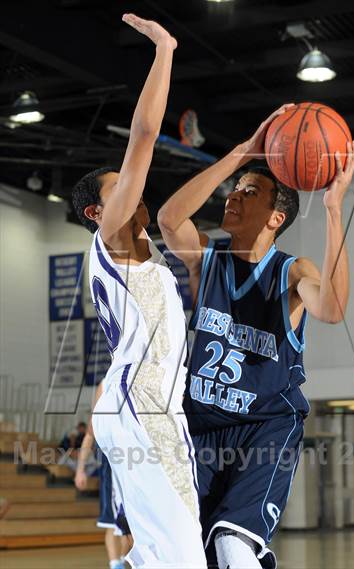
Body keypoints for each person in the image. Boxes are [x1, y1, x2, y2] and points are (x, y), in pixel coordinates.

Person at [158, 104, 354, 568]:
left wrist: (332, 209)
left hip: (266, 428)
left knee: (233, 542)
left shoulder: (291, 271)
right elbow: (169, 219)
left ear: (275, 217)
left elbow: (330, 308)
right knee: (188, 551)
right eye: (234, 189)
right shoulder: (207, 259)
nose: (234, 197)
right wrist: (241, 153)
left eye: (250, 192)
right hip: (202, 427)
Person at [71, 13, 206, 569]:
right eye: (120, 189)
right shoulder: (111, 239)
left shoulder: (143, 258)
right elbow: (146, 136)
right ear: (98, 212)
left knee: (157, 554)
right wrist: (165, 51)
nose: (135, 193)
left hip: (148, 408)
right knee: (183, 560)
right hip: (141, 409)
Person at [75, 382, 131, 569]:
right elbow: (89, 436)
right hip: (114, 465)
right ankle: (117, 564)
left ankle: (122, 561)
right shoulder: (107, 383)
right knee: (114, 522)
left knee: (129, 527)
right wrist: (80, 469)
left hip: (135, 463)